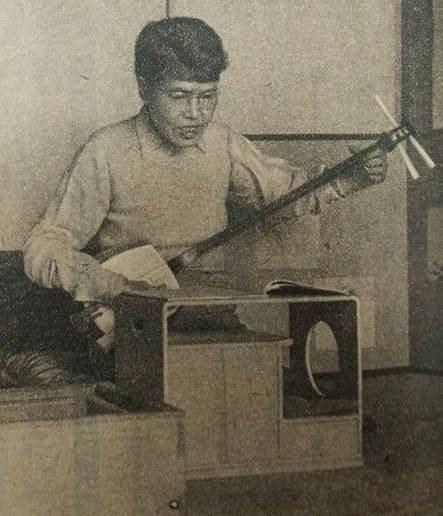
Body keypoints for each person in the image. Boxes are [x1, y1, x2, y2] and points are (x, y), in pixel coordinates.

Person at [23, 17, 386, 322]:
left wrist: (347, 179)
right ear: (144, 88)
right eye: (179, 96)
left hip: (210, 308)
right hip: (131, 314)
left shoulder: (223, 143)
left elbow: (282, 193)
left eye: (208, 96)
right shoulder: (105, 151)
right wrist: (103, 282)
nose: (195, 113)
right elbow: (44, 244)